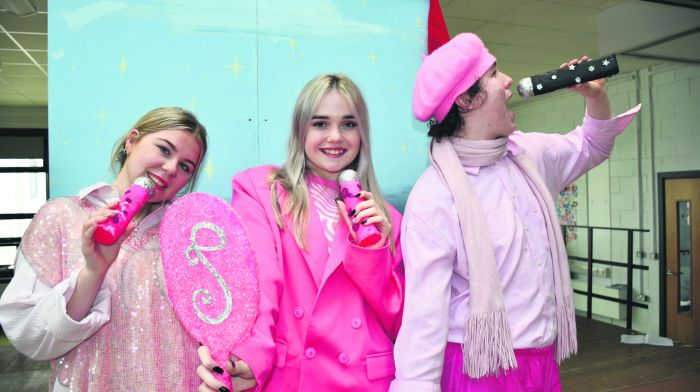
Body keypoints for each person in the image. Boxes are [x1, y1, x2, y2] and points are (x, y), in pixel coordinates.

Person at [390, 33, 640, 391]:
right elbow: (424, 317)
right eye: (493, 73)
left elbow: (593, 145)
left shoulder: (530, 154)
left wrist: (596, 96)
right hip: (476, 369)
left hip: (542, 363)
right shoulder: (434, 197)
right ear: (466, 99)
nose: (508, 81)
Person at [196, 74, 404, 392]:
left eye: (348, 124)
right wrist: (252, 356)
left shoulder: (388, 219)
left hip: (365, 381)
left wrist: (373, 251)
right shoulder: (260, 190)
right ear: (300, 129)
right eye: (320, 124)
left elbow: (400, 321)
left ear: (362, 132)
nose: (335, 137)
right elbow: (259, 282)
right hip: (291, 377)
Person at [0, 107, 208, 391]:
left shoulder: (192, 236)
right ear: (132, 141)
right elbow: (31, 338)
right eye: (164, 149)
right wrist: (94, 272)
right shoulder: (61, 217)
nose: (172, 168)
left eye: (186, 166)